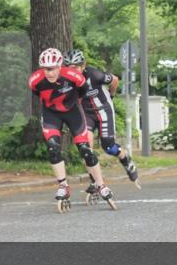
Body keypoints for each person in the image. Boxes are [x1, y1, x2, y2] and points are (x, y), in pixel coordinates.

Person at [28, 47, 116, 212]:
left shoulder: (74, 75)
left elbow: (82, 91)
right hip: (51, 114)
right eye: (46, 69)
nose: (50, 73)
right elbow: (36, 93)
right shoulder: (35, 80)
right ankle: (63, 185)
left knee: (85, 150)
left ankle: (101, 185)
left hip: (73, 112)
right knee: (53, 147)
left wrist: (72, 103)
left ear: (60, 66)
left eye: (53, 68)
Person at [63, 49, 140, 190]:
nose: (72, 72)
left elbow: (115, 80)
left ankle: (125, 158)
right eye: (68, 69)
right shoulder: (66, 81)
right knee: (86, 148)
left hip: (104, 111)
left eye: (75, 68)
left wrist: (111, 96)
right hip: (86, 115)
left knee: (109, 147)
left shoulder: (94, 74)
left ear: (83, 65)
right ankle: (95, 181)